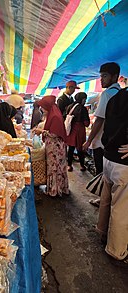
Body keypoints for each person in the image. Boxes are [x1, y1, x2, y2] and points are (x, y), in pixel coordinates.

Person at [96, 87, 128, 263]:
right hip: (123, 162)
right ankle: (117, 249)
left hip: (109, 157)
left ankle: (102, 231)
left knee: (106, 199)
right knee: (121, 208)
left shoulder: (116, 96)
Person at [83, 63, 121, 207]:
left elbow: (99, 120)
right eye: (101, 76)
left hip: (101, 141)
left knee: (103, 174)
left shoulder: (107, 94)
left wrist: (88, 141)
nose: (101, 80)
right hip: (114, 142)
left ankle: (103, 201)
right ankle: (110, 201)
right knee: (112, 176)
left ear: (115, 76)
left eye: (105, 76)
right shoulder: (121, 93)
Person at [34, 95, 69, 197]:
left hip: (55, 147)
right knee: (56, 167)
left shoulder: (55, 116)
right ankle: (58, 188)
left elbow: (54, 134)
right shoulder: (53, 114)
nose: (42, 109)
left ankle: (55, 190)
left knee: (55, 167)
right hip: (54, 146)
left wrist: (41, 131)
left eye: (43, 107)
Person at [66, 92, 90, 172]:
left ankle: (69, 165)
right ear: (82, 99)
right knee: (80, 148)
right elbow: (86, 123)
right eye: (85, 99)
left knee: (71, 148)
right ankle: (82, 165)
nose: (85, 101)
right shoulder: (83, 108)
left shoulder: (70, 106)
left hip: (71, 129)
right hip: (79, 130)